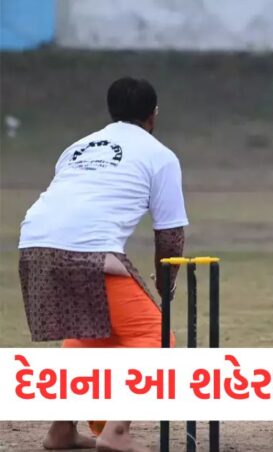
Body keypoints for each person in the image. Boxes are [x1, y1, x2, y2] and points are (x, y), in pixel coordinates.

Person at [18, 76, 186, 452]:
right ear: (153, 115)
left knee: (90, 335)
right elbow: (170, 234)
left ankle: (61, 430)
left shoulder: (77, 147)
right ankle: (116, 431)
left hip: (33, 246)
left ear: (111, 111)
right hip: (87, 252)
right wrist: (165, 282)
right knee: (155, 336)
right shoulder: (160, 155)